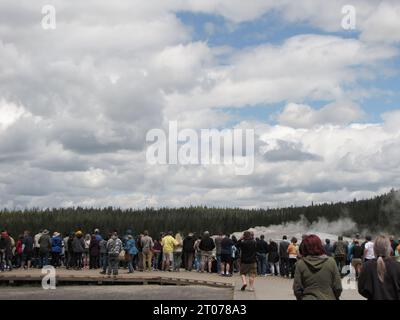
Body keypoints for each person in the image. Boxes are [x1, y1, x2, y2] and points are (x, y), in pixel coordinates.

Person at [293, 234, 342, 300]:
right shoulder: (331, 262)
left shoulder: (300, 264)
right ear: (320, 246)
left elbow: (297, 289)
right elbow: (338, 287)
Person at [358, 235, 400, 300]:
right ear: (389, 249)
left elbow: (361, 289)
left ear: (374, 248)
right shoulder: (397, 266)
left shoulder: (366, 266)